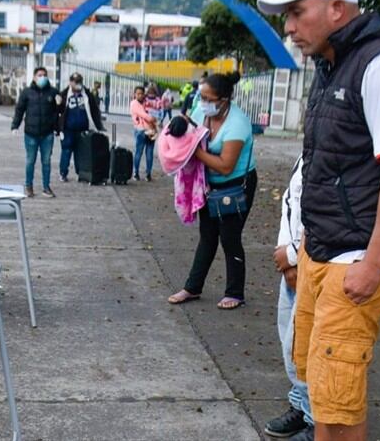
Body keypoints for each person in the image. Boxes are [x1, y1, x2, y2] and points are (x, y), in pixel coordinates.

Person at [257, 0, 380, 440]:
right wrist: (305, 242)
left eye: (297, 12)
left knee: (336, 401)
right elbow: (326, 163)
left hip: (357, 256)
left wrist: (373, 263)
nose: (289, 27)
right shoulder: (333, 65)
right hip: (324, 248)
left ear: (337, 8)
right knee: (318, 386)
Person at [168, 72, 257, 309]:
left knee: (229, 237)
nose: (203, 102)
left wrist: (194, 153)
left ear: (224, 99)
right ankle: (192, 287)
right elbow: (190, 128)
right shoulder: (201, 111)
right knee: (207, 236)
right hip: (208, 184)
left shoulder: (237, 124)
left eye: (209, 98)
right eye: (201, 96)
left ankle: (235, 293)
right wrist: (180, 126)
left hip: (236, 185)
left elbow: (226, 166)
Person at [266, 155, 314, 440]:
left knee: (305, 344)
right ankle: (299, 402)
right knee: (290, 341)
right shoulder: (305, 152)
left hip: (311, 260)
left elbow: (320, 209)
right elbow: (289, 200)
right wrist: (284, 251)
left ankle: (314, 418)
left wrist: (294, 256)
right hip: (291, 260)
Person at [12, 66, 60, 198]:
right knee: (30, 161)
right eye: (39, 75)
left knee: (46, 161)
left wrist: (58, 129)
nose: (42, 77)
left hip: (47, 133)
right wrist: (15, 126)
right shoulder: (27, 92)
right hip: (31, 133)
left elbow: (58, 113)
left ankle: (46, 187)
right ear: (34, 77)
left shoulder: (53, 92)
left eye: (44, 75)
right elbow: (19, 110)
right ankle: (28, 186)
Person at [57, 72, 105, 182]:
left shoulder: (87, 94)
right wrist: (58, 128)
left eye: (79, 82)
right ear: (70, 82)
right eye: (75, 82)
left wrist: (98, 125)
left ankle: (81, 173)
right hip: (68, 129)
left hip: (82, 128)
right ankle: (63, 173)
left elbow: (94, 110)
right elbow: (58, 111)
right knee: (66, 151)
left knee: (81, 152)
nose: (77, 84)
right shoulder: (64, 95)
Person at [130, 85, 157, 181]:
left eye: (142, 93)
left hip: (151, 130)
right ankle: (136, 172)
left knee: (149, 153)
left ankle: (148, 173)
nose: (140, 95)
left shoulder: (147, 102)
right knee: (139, 152)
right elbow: (145, 116)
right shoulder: (134, 103)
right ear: (134, 94)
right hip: (141, 130)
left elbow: (156, 111)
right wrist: (152, 119)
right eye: (138, 94)